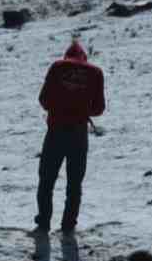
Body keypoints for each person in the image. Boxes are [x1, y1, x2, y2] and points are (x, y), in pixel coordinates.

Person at [34, 40, 105, 237]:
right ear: (84, 57)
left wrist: (59, 108)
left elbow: (43, 100)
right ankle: (68, 225)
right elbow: (99, 108)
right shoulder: (95, 73)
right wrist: (81, 110)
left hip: (56, 130)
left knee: (46, 179)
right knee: (75, 182)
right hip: (79, 133)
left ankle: (43, 222)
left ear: (67, 56)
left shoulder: (57, 67)